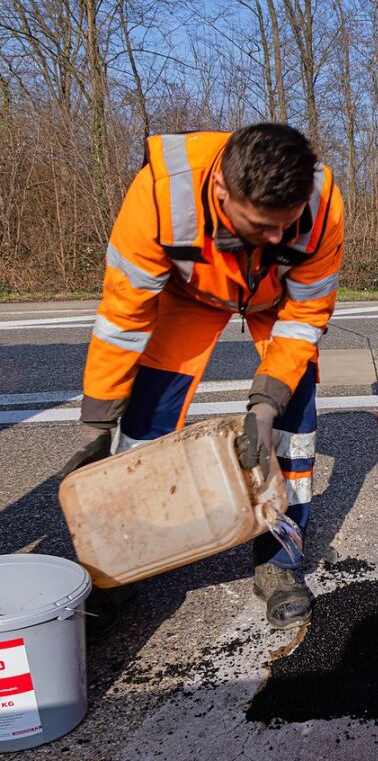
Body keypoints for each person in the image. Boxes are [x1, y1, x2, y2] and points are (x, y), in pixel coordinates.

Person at [61, 123, 345, 635]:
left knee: (292, 428)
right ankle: (124, 564)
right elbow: (123, 318)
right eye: (263, 225)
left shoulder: (322, 205)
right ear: (221, 192)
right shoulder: (160, 196)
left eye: (288, 224)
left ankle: (279, 561)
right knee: (144, 430)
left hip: (277, 307)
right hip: (186, 300)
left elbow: (306, 317)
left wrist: (265, 406)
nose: (280, 238)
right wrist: (97, 422)